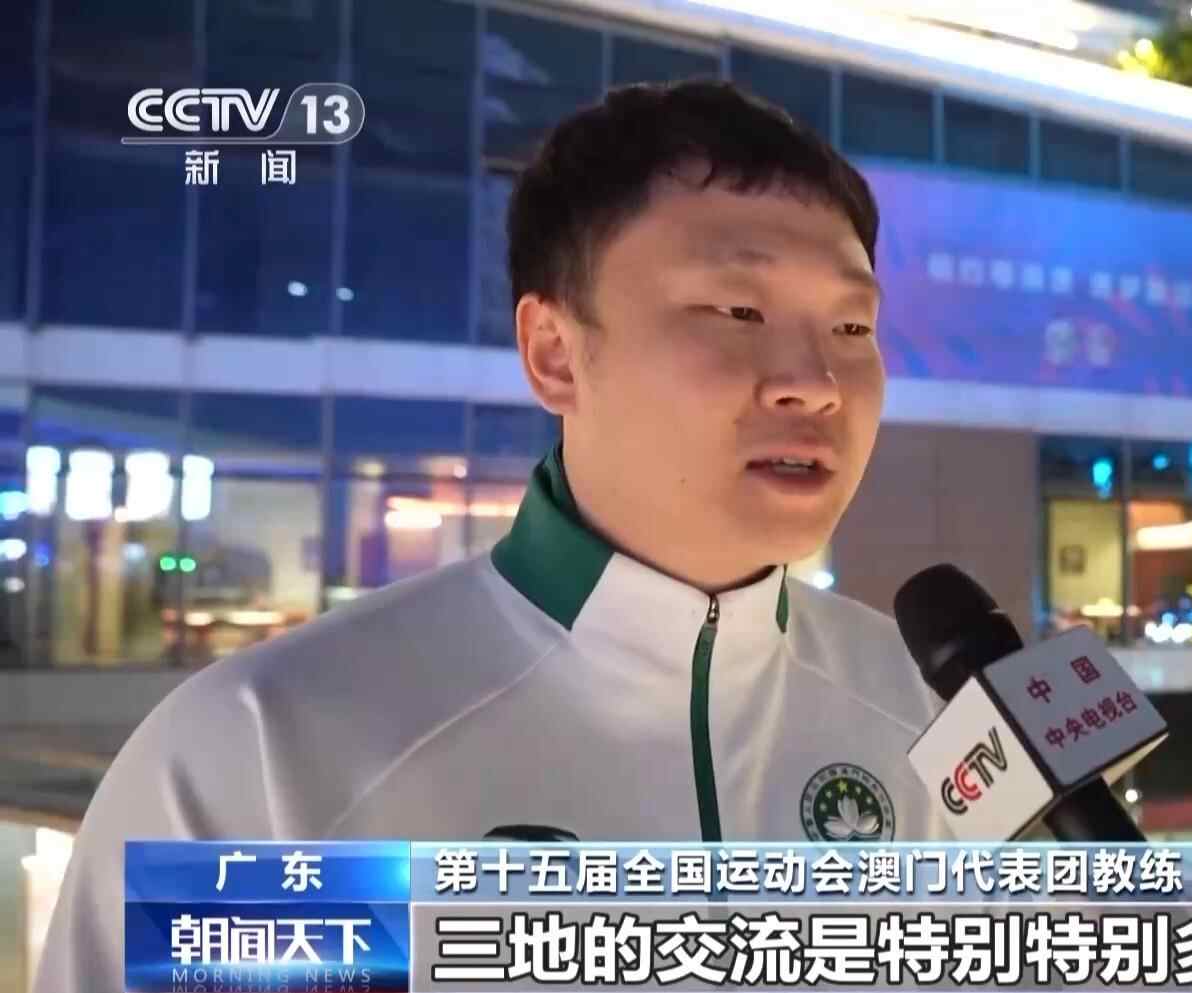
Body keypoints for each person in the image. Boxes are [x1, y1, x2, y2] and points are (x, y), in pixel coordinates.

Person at [31, 80, 954, 991]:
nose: (815, 382)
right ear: (555, 352)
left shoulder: (946, 726)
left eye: (852, 325)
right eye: (738, 311)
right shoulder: (265, 752)